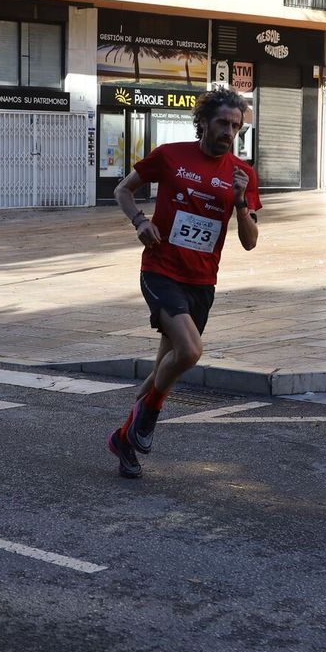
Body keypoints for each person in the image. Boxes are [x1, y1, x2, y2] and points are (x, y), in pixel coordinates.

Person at [108, 88, 261, 480]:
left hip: (202, 282)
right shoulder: (171, 155)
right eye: (223, 123)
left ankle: (125, 437)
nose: (229, 132)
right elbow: (122, 190)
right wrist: (140, 222)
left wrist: (242, 202)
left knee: (165, 367)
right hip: (160, 270)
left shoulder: (243, 175)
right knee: (190, 352)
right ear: (205, 122)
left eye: (236, 126)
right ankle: (147, 422)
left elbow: (249, 241)